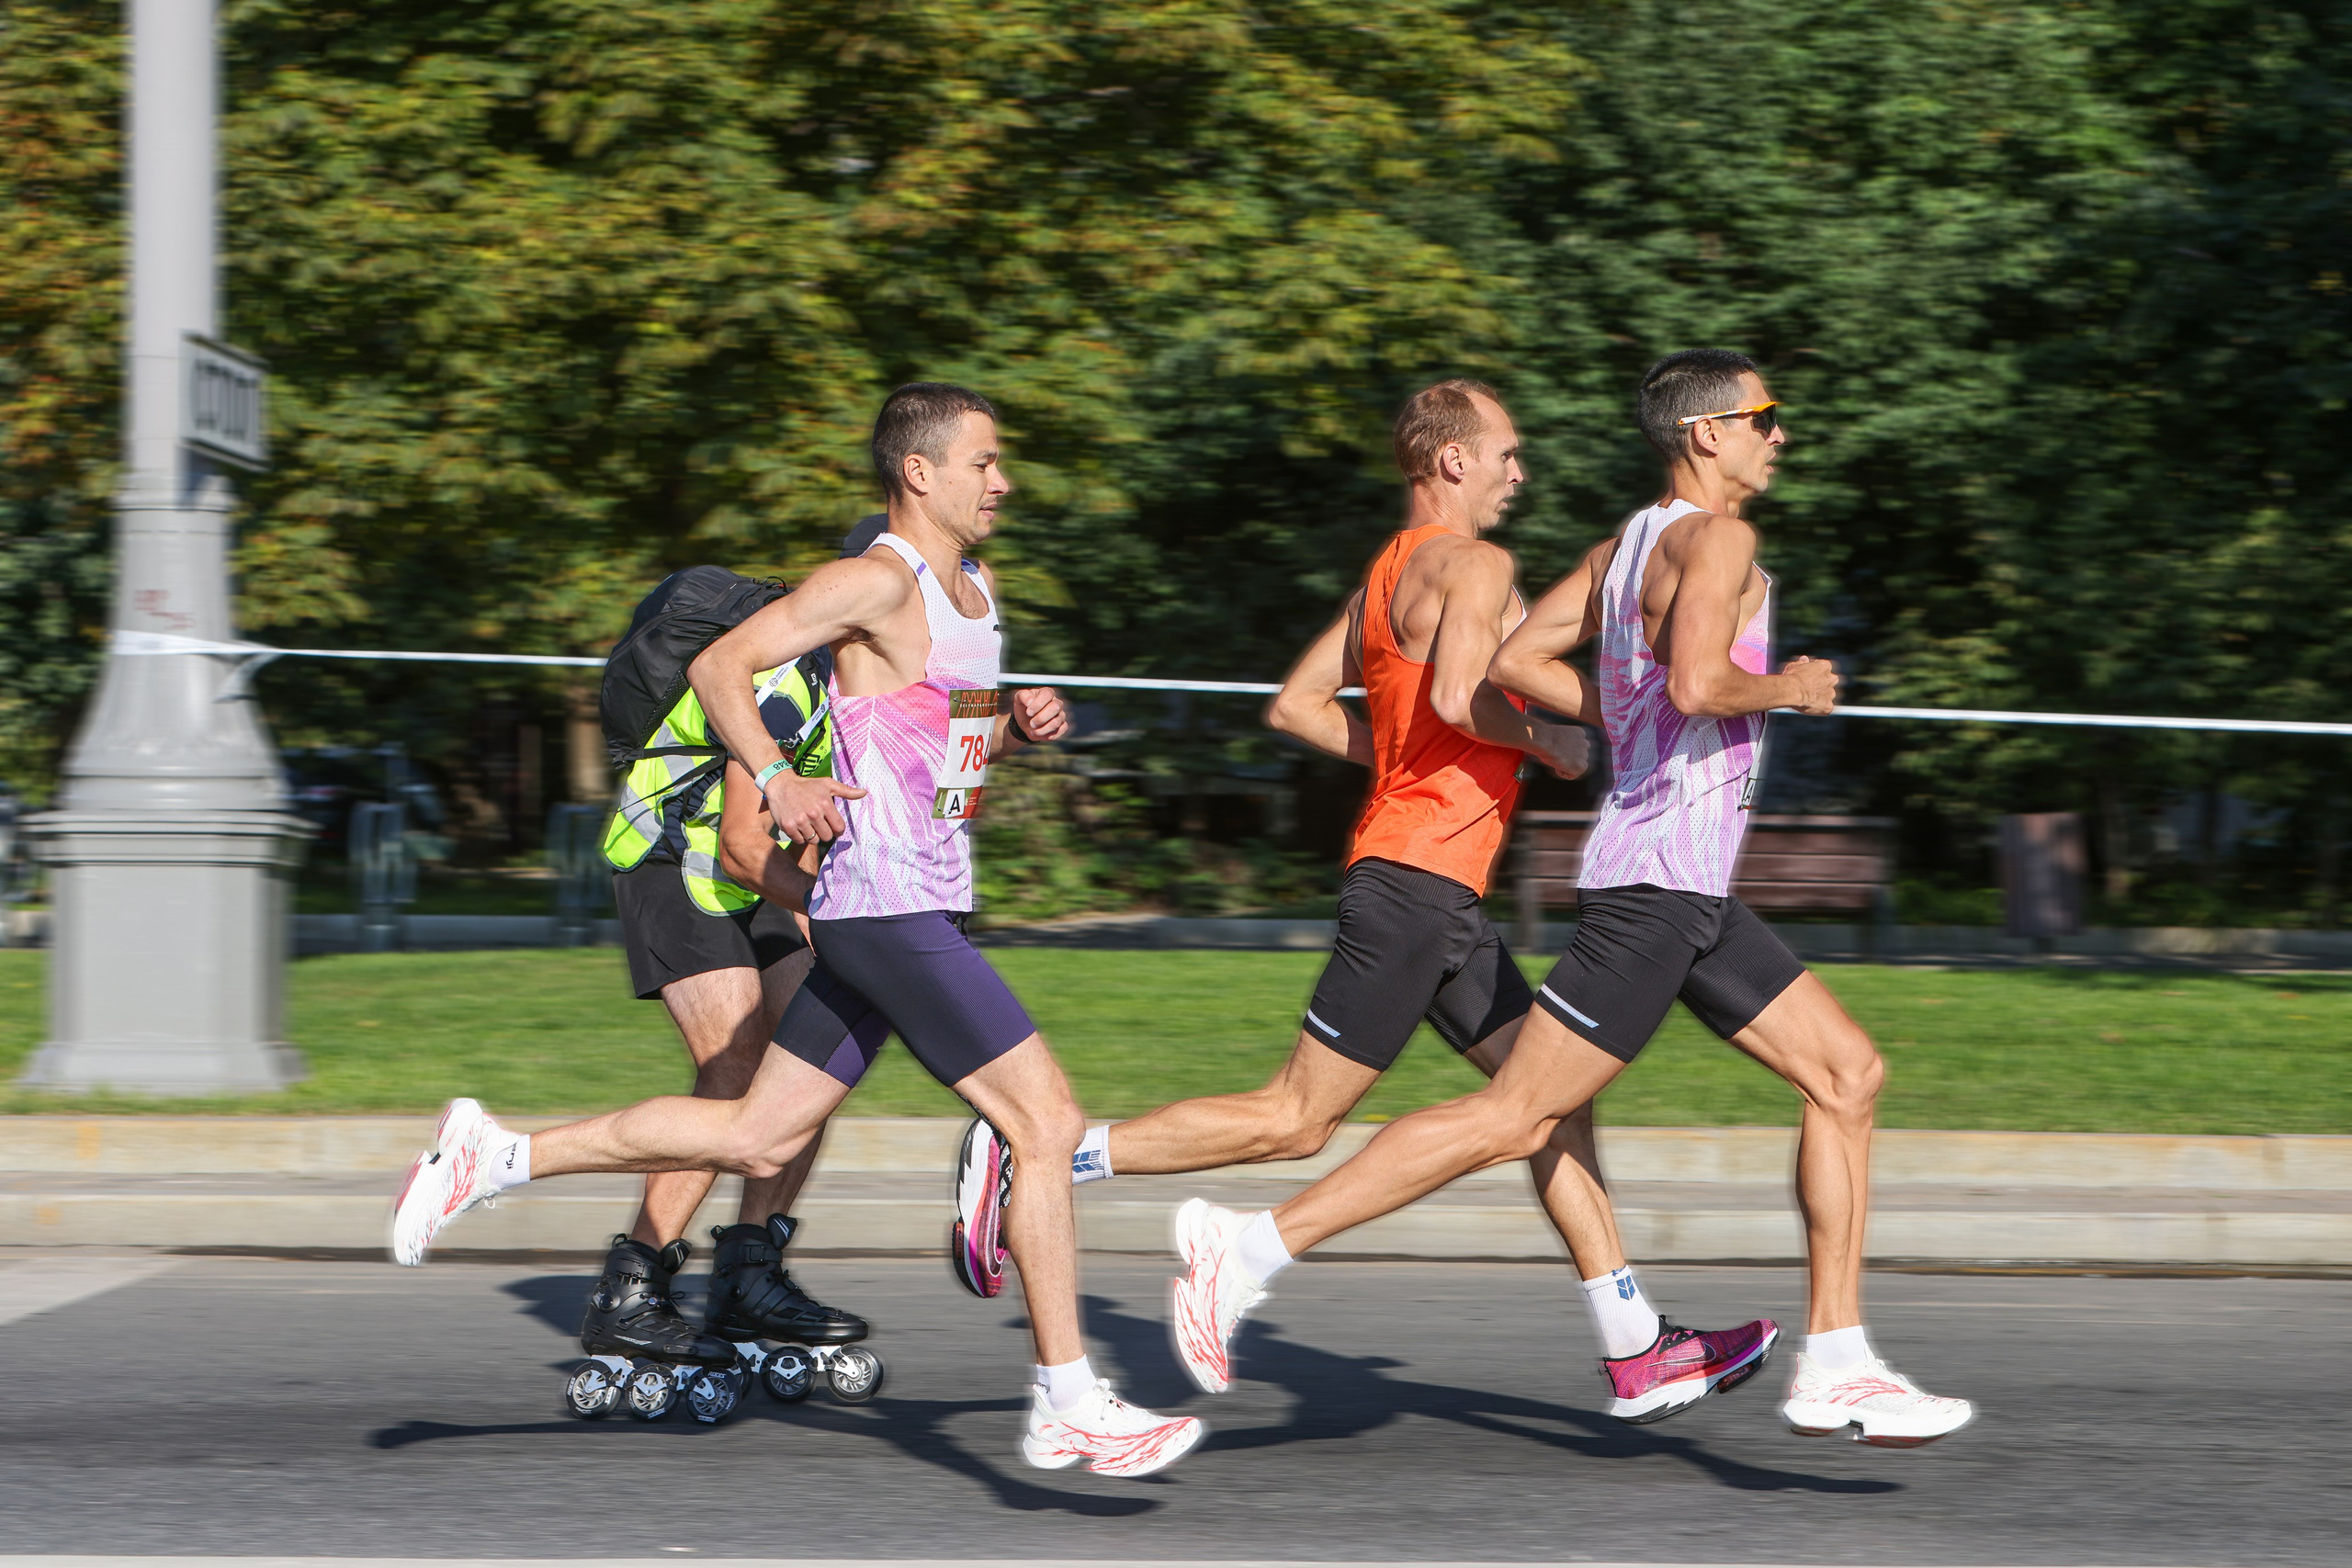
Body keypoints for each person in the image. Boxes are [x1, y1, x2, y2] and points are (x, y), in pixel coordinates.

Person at [391, 383, 1203, 1477]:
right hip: (882, 908)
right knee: (1046, 1124)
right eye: (983, 462)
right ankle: (1066, 1399)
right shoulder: (873, 580)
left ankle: (493, 1157)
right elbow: (718, 667)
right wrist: (776, 775)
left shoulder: (975, 593)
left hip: (910, 898)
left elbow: (945, 766)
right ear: (919, 471)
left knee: (756, 1136)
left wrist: (1014, 729)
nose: (1002, 481)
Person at [1168, 351, 1974, 1449]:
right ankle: (1250, 1248)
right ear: (1705, 432)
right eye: (1763, 416)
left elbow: (1516, 658)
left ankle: (1835, 1359)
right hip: (1654, 890)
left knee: (1847, 1075)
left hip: (1688, 887)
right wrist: (1784, 686)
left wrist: (1611, 707)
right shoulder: (1718, 540)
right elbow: (1697, 685)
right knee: (1516, 1116)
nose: (1778, 434)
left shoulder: (1621, 548)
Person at [957, 379, 1777, 1425]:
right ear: (1452, 460)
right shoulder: (1477, 565)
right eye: (1506, 454)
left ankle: (1635, 1345)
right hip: (1415, 887)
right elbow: (1458, 697)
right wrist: (1546, 738)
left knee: (1549, 1103)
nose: (1518, 474)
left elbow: (1296, 707)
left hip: (1435, 888)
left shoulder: (1385, 578)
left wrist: (1403, 762)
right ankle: (1045, 1152)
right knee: (1297, 1120)